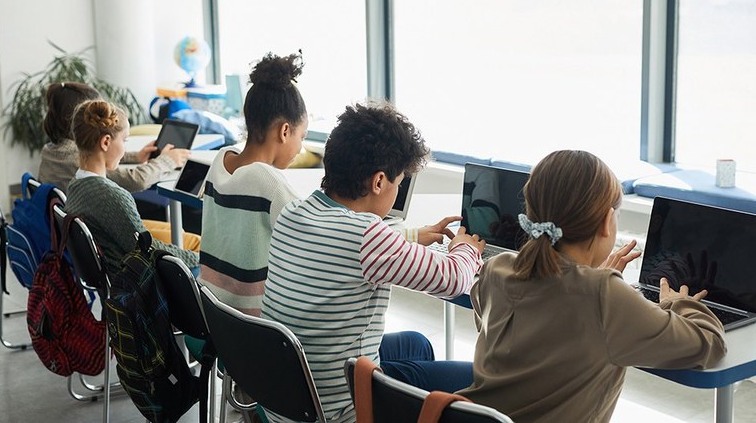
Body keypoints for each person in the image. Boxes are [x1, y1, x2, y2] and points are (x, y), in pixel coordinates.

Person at [458, 150, 727, 423]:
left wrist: (592, 280)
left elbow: (495, 325)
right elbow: (710, 345)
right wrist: (676, 301)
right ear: (606, 222)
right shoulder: (603, 294)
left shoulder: (498, 267)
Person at [260, 102, 486, 423]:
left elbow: (348, 245)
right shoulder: (368, 236)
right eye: (399, 181)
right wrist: (466, 247)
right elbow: (454, 279)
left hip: (291, 396)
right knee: (479, 380)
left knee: (416, 344)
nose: (396, 190)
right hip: (343, 407)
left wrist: (412, 235)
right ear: (379, 182)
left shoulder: (295, 212)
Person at [197, 52, 307, 316]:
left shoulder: (220, 161)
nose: (301, 148)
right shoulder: (268, 182)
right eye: (301, 137)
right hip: (253, 325)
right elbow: (315, 235)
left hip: (212, 312)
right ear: (284, 131)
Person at [64, 99, 199, 275]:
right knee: (201, 262)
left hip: (117, 280)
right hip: (139, 285)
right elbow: (149, 250)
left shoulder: (75, 185)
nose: (124, 148)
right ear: (105, 142)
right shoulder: (113, 196)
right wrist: (198, 259)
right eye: (125, 140)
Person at [38, 82, 190, 193]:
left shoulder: (51, 150)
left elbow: (94, 152)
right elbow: (136, 180)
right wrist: (167, 160)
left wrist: (136, 156)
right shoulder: (75, 162)